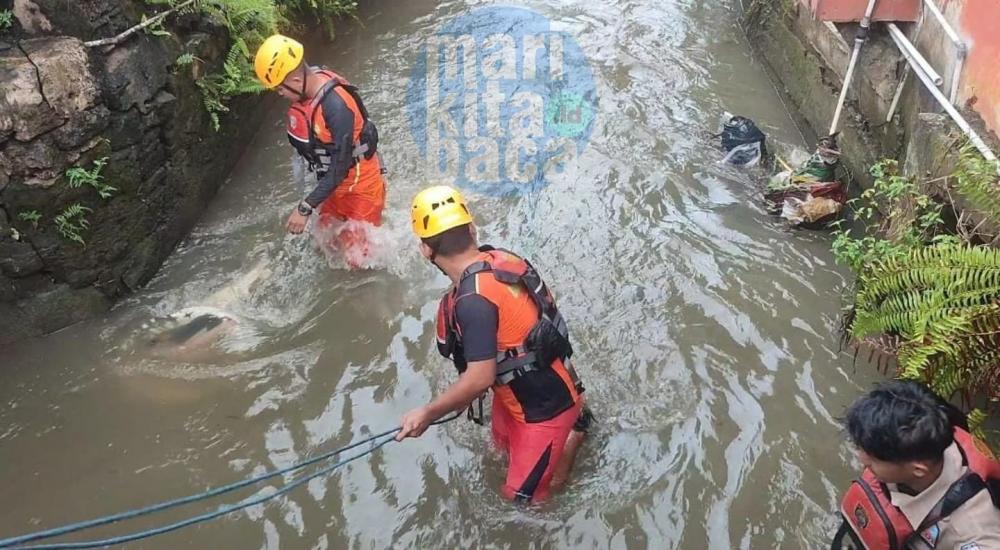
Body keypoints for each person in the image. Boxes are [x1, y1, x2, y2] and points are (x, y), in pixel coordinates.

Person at [396, 185, 594, 503]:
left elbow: (479, 378)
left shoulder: (473, 301)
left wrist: (427, 413)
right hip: (520, 392)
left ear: (424, 250)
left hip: (545, 409)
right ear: (472, 229)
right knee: (499, 451)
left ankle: (575, 432)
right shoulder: (498, 261)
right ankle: (574, 423)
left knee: (522, 501)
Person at [253, 34, 386, 266]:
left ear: (295, 80)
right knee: (324, 242)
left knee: (357, 261)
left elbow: (341, 166)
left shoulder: (336, 107)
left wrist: (305, 207)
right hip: (333, 184)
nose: (280, 95)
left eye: (280, 89)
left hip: (359, 187)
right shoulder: (307, 92)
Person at [833, 380, 1000, 550]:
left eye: (873, 458)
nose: (861, 458)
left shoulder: (971, 533)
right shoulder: (921, 440)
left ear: (918, 470)